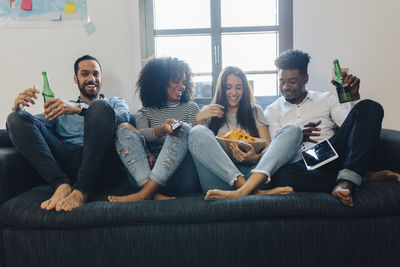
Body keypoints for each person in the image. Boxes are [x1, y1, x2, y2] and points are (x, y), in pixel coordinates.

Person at [6, 55, 130, 211]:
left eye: (96, 74)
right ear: (75, 78)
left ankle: (82, 189)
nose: (92, 78)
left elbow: (122, 117)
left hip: (100, 162)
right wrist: (18, 109)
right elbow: (29, 125)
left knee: (99, 107)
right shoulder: (62, 107)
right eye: (85, 74)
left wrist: (78, 108)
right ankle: (61, 184)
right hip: (67, 160)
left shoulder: (114, 102)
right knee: (15, 119)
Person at [264, 49, 385, 207]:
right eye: (281, 81)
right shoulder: (272, 110)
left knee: (370, 107)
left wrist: (353, 97)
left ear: (305, 78)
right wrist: (297, 137)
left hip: (330, 153)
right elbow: (276, 151)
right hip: (301, 162)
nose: (285, 86)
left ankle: (349, 178)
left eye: (292, 81)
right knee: (282, 175)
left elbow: (351, 127)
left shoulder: (325, 99)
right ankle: (354, 178)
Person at [188, 66, 303, 200]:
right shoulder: (208, 113)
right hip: (219, 181)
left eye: (238, 87)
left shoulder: (255, 111)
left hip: (253, 175)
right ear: (221, 89)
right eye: (228, 87)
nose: (233, 92)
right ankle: (253, 192)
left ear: (244, 89)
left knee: (294, 130)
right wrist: (198, 120)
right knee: (196, 131)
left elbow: (268, 148)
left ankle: (242, 191)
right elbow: (202, 150)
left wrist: (255, 157)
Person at [108, 57, 201, 202]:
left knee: (184, 129)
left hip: (182, 175)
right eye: (176, 81)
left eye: (184, 82)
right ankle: (152, 192)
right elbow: (141, 135)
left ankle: (144, 194)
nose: (182, 86)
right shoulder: (144, 112)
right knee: (122, 128)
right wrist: (161, 131)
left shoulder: (191, 108)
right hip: (145, 174)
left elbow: (195, 142)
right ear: (159, 82)